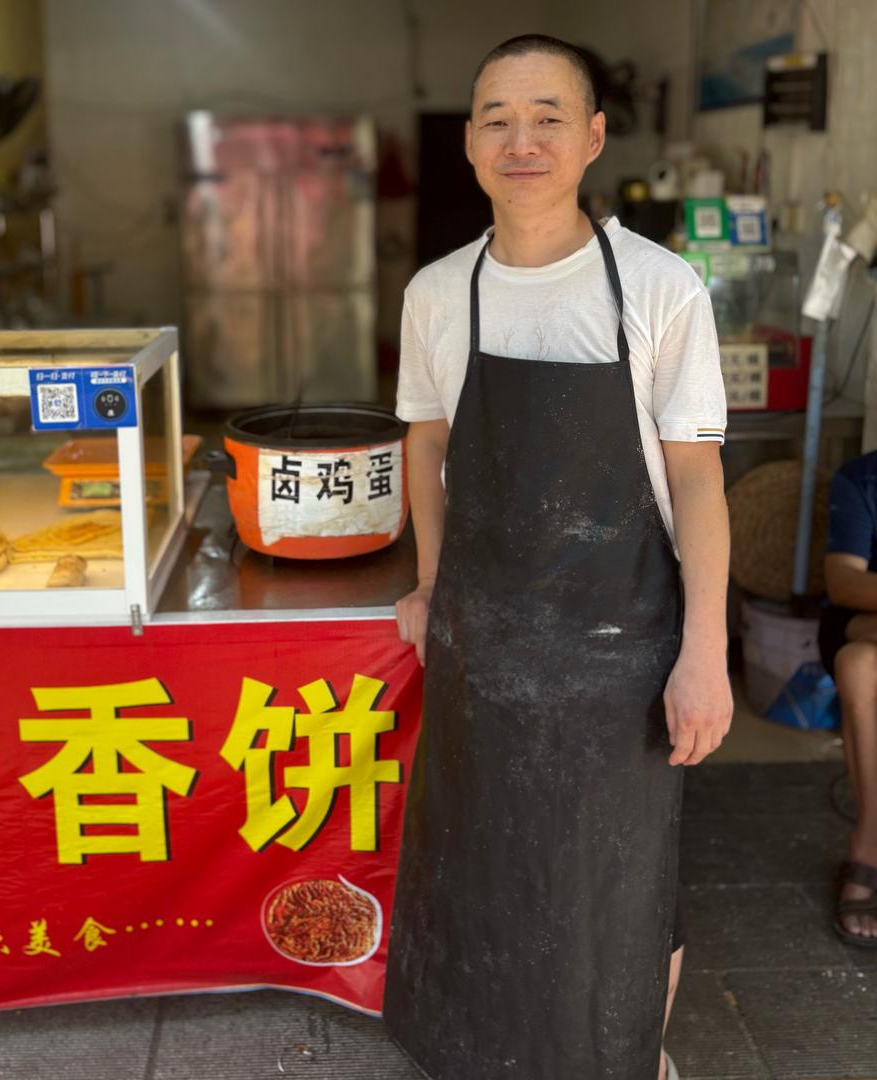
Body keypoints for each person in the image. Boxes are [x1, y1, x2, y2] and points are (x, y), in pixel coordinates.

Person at [382, 33, 733, 1080]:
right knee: (488, 864)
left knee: (622, 884)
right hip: (486, 645)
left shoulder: (661, 288)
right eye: (497, 118)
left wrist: (705, 652)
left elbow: (700, 481)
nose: (520, 139)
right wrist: (434, 583)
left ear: (592, 137)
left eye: (547, 117)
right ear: (470, 146)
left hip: (622, 644)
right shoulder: (440, 292)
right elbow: (426, 439)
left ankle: (630, 1059)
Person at [819, 450, 877, 947]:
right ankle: (871, 845)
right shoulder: (863, 478)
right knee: (854, 658)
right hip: (857, 621)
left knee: (860, 666)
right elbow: (844, 583)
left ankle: (868, 844)